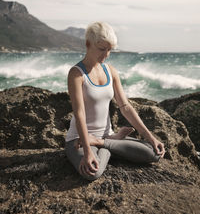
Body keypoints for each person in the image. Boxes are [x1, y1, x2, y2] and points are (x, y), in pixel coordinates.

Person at [65, 22, 165, 180]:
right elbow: (79, 113)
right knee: (92, 173)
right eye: (101, 49)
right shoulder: (76, 74)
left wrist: (150, 137)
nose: (105, 54)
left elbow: (125, 106)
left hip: (107, 135)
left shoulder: (110, 71)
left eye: (109, 49)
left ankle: (102, 143)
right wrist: (88, 149)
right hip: (78, 139)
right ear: (88, 44)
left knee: (154, 152)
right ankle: (109, 145)